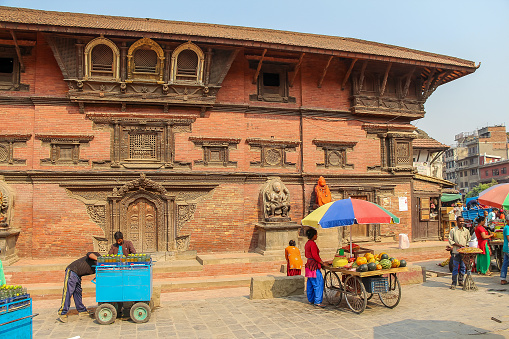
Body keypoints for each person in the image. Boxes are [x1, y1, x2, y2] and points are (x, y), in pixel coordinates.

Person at [58, 251, 100, 323]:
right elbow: (89, 254)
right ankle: (62, 312)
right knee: (68, 292)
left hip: (78, 275)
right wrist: (99, 259)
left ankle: (81, 310)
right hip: (72, 271)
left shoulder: (101, 267)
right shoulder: (98, 256)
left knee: (78, 293)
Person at [304, 228, 326, 307]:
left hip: (308, 266)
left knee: (310, 284)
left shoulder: (307, 243)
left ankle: (311, 299)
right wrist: (321, 262)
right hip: (313, 266)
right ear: (313, 235)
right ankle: (317, 301)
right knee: (318, 283)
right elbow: (315, 255)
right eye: (316, 234)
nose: (317, 236)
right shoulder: (312, 244)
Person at [448, 216, 471, 289]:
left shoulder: (466, 231)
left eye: (463, 221)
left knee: (463, 267)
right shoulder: (453, 231)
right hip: (456, 252)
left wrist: (466, 246)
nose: (462, 223)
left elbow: (468, 240)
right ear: (457, 222)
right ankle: (454, 282)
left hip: (464, 252)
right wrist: (457, 245)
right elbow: (450, 240)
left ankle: (461, 280)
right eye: (460, 221)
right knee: (455, 267)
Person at [500, 219, 509, 285]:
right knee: (505, 264)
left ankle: (503, 278)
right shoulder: (507, 227)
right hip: (508, 248)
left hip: (506, 248)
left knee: (505, 264)